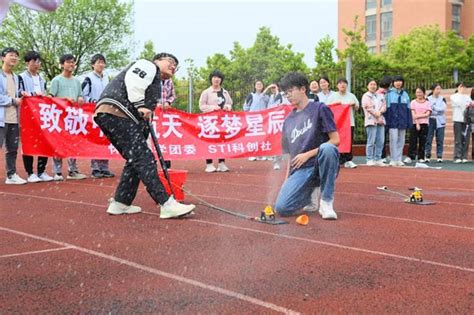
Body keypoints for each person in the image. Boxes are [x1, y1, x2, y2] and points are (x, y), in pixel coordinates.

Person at [94, 53, 196, 218]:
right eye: (170, 61)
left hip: (113, 114)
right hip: (118, 111)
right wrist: (140, 105)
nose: (173, 66)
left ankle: (121, 202)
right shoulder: (148, 65)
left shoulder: (156, 80)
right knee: (143, 158)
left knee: (136, 160)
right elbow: (134, 82)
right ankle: (166, 203)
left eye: (176, 66)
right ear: (157, 60)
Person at [274, 72, 340, 220]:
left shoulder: (320, 108)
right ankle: (310, 192)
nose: (288, 96)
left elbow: (335, 140)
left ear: (303, 89)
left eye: (291, 91)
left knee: (328, 149)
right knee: (282, 208)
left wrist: (308, 154)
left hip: (319, 162)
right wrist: (286, 181)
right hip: (300, 169)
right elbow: (290, 155)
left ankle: (326, 201)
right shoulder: (289, 121)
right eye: (286, 93)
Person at [50, 54, 86, 180]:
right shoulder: (56, 80)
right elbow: (50, 98)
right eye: (68, 62)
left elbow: (80, 95)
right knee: (58, 143)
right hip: (59, 117)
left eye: (73, 62)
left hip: (73, 117)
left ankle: (73, 170)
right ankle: (57, 171)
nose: (71, 65)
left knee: (73, 143)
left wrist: (80, 98)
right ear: (62, 64)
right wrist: (64, 100)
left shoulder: (77, 81)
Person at [19, 51, 53, 182]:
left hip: (41, 115)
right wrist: (33, 94)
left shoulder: (41, 79)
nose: (37, 64)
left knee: (43, 142)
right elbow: (20, 93)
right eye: (34, 61)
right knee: (28, 143)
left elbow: (43, 95)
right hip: (27, 116)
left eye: (39, 62)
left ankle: (41, 171)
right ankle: (30, 173)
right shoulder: (21, 77)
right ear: (27, 63)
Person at [82, 53, 114, 179]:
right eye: (98, 62)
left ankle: (104, 167)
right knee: (95, 139)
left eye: (102, 62)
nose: (101, 65)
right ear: (92, 65)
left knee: (106, 139)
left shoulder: (106, 78)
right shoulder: (88, 78)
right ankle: (95, 168)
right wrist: (94, 101)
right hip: (93, 113)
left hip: (106, 112)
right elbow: (84, 95)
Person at [0, 47, 26, 184]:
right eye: (11, 55)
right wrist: (12, 100)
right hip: (1, 118)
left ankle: (11, 175)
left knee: (12, 148)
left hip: (14, 118)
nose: (14, 58)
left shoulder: (16, 77)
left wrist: (22, 95)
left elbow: (18, 94)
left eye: (16, 56)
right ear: (3, 58)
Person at [198, 70, 233, 172]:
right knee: (209, 141)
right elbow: (201, 106)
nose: (216, 79)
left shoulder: (225, 92)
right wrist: (212, 108)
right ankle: (209, 164)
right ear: (211, 79)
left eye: (218, 77)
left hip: (222, 121)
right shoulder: (206, 92)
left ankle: (222, 163)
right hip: (210, 121)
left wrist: (227, 107)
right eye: (214, 77)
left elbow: (230, 103)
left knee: (222, 141)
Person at [326, 78, 359, 168]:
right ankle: (338, 159)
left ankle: (348, 160)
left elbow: (357, 107)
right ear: (337, 85)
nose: (342, 85)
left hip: (349, 123)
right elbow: (327, 107)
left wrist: (353, 105)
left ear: (347, 85)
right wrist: (337, 104)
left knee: (349, 141)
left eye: (344, 83)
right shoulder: (333, 96)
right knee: (337, 141)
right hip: (337, 123)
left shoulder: (351, 96)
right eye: (340, 83)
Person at [154, 53, 177, 170]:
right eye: (170, 62)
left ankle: (166, 164)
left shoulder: (169, 82)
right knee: (152, 138)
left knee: (166, 138)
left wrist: (168, 102)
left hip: (165, 115)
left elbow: (173, 95)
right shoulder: (152, 78)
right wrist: (156, 103)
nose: (172, 66)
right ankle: (151, 164)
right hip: (153, 115)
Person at [385, 75, 412, 167]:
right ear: (393, 83)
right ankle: (393, 159)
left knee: (402, 140)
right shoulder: (388, 94)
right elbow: (387, 109)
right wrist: (387, 121)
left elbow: (408, 109)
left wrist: (409, 121)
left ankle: (399, 159)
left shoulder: (405, 94)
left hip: (403, 120)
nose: (398, 83)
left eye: (400, 81)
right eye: (396, 81)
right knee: (393, 139)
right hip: (393, 121)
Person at [362, 79, 386, 166]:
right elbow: (367, 106)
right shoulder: (365, 96)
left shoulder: (380, 96)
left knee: (380, 140)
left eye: (375, 84)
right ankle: (369, 159)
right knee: (371, 141)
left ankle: (378, 158)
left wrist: (380, 112)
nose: (373, 86)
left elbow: (384, 105)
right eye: (371, 84)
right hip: (371, 120)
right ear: (368, 86)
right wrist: (375, 113)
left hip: (380, 120)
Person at [406, 86, 431, 163]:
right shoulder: (413, 102)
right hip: (414, 124)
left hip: (424, 124)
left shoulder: (427, 103)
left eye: (420, 92)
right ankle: (410, 156)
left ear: (424, 93)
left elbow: (428, 114)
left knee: (422, 141)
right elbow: (413, 115)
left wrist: (418, 115)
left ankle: (421, 157)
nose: (419, 94)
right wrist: (417, 123)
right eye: (417, 92)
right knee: (412, 140)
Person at [266, 82, 287, 170]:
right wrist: (267, 88)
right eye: (271, 88)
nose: (273, 90)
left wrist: (277, 90)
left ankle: (279, 158)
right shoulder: (270, 97)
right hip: (272, 121)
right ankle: (276, 160)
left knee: (281, 140)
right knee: (274, 140)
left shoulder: (282, 95)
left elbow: (283, 103)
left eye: (274, 88)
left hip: (280, 120)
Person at [425, 83, 447, 163]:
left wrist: (434, 108)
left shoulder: (442, 99)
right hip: (430, 119)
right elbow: (428, 109)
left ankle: (439, 155)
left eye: (439, 89)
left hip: (440, 120)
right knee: (429, 138)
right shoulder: (428, 99)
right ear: (433, 90)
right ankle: (427, 155)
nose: (439, 90)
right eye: (437, 89)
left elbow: (443, 109)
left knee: (440, 138)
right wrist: (435, 109)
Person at [450, 82, 471, 163]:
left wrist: (467, 104)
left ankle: (464, 156)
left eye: (463, 86)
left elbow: (469, 105)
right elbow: (460, 104)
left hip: (466, 121)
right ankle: (457, 156)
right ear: (457, 87)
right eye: (460, 86)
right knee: (458, 139)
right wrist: (460, 93)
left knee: (466, 139)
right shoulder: (453, 96)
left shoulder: (467, 97)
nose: (462, 88)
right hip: (457, 120)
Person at [378, 76, 392, 162]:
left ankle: (385, 154)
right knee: (381, 136)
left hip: (389, 113)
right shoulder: (380, 93)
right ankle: (381, 155)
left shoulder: (389, 92)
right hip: (382, 114)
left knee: (387, 136)